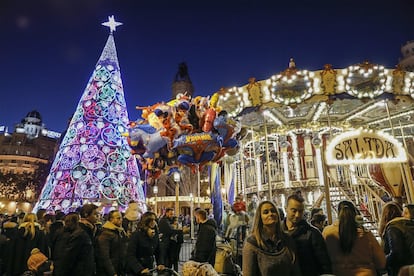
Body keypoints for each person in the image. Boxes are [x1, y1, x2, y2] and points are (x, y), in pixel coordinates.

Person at [322, 200, 386, 276]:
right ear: (355, 213)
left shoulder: (327, 232)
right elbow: (381, 262)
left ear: (338, 213)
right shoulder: (365, 234)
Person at [242, 200, 301, 275]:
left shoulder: (287, 239)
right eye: (266, 212)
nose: (271, 214)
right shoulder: (252, 243)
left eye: (273, 211)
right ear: (260, 218)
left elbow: (296, 270)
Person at [282, 193, 332, 276]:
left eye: (300, 211)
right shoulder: (278, 232)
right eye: (294, 210)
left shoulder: (312, 233)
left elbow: (324, 263)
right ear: (286, 209)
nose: (297, 215)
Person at [383, 203, 414, 276]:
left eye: (406, 213)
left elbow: (396, 253)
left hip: (403, 269)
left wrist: (383, 261)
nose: (403, 215)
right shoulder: (408, 225)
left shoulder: (393, 227)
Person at [96, 210, 128, 276]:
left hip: (120, 268)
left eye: (121, 218)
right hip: (110, 270)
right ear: (111, 219)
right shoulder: (106, 234)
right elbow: (105, 256)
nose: (121, 220)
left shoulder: (120, 231)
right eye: (118, 218)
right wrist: (112, 273)